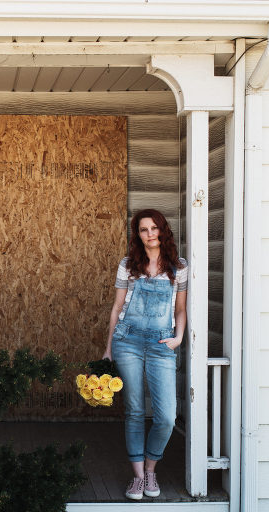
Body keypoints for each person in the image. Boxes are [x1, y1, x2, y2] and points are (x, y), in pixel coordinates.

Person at [103, 208, 188, 500]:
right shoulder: (128, 265)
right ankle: (139, 477)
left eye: (154, 228)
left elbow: (180, 309)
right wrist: (108, 348)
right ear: (137, 234)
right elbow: (117, 308)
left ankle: (152, 468)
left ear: (163, 230)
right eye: (143, 229)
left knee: (166, 416)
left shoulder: (178, 266)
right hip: (128, 340)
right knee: (135, 411)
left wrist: (178, 338)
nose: (150, 234)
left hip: (162, 344)